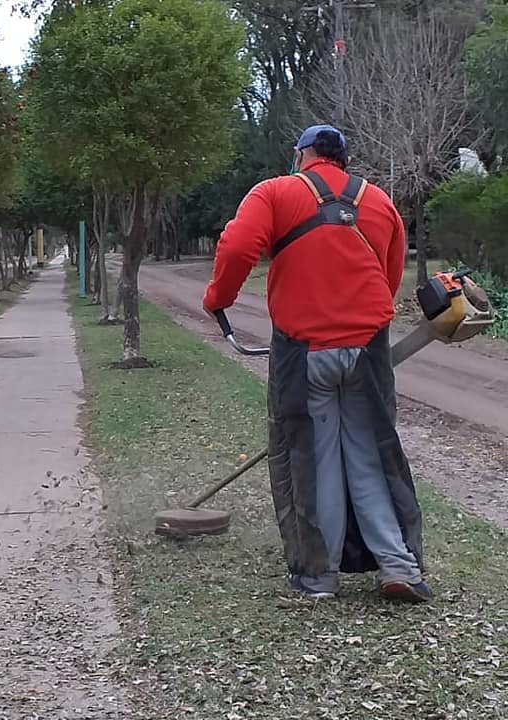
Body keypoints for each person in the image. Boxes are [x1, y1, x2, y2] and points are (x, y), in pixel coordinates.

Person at [202, 124, 431, 603]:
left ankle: (317, 576)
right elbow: (388, 277)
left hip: (304, 351)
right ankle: (398, 565)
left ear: (301, 155)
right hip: (367, 348)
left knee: (312, 460)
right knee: (372, 457)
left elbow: (239, 246)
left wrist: (218, 299)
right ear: (343, 159)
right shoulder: (379, 200)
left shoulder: (275, 192)